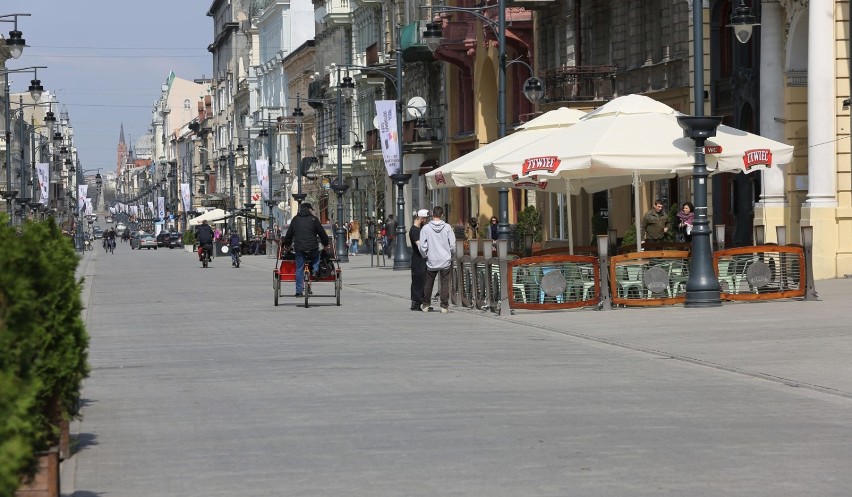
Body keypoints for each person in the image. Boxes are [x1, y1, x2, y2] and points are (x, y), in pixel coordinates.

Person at [282, 203, 330, 297]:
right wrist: (325, 244)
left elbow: (289, 234)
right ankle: (315, 270)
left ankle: (299, 292)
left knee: (299, 269)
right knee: (317, 256)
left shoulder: (295, 219)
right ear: (308, 209)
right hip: (312, 247)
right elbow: (322, 233)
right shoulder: (314, 219)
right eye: (311, 209)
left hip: (299, 248)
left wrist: (287, 245)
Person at [418, 206, 456, 314]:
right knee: (445, 283)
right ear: (442, 215)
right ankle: (444, 306)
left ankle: (425, 305)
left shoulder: (426, 228)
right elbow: (452, 245)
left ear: (432, 215)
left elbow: (422, 246)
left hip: (432, 259)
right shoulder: (448, 227)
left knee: (429, 282)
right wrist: (452, 254)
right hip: (445, 259)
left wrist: (425, 255)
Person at [409, 210, 429, 311]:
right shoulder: (414, 230)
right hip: (418, 259)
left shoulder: (419, 229)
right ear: (422, 218)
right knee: (418, 280)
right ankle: (416, 303)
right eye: (425, 219)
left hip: (421, 259)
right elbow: (420, 245)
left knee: (422, 280)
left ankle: (420, 302)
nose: (426, 221)